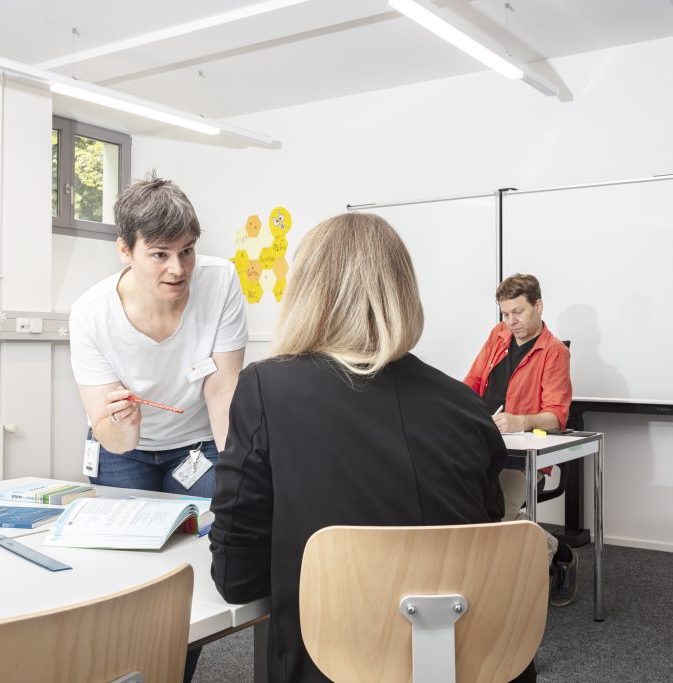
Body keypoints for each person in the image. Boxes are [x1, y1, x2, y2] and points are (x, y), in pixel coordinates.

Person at [209, 213, 537, 683]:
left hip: (331, 663)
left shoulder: (266, 389)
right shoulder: (466, 407)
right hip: (471, 664)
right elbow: (478, 543)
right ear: (404, 292)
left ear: (305, 293)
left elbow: (237, 579)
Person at [69, 177, 247, 498]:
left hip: (197, 445)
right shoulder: (90, 313)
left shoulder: (220, 281)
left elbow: (223, 392)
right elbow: (108, 429)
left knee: (216, 523)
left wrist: (238, 473)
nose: (178, 269)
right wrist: (125, 426)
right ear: (125, 250)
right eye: (160, 255)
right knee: (130, 537)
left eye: (187, 251)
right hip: (123, 451)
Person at [463, 273, 577, 607]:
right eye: (505, 313)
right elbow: (471, 383)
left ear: (538, 306)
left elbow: (556, 416)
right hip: (483, 447)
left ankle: (558, 551)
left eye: (518, 312)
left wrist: (521, 421)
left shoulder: (554, 353)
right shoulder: (498, 336)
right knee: (461, 506)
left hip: (520, 459)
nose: (510, 321)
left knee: (499, 519)